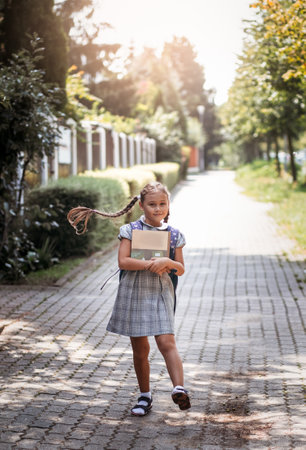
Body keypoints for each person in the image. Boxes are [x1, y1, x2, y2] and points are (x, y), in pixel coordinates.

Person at [67, 181, 191, 416]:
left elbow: (181, 269)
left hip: (161, 294)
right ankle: (145, 396)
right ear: (141, 205)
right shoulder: (130, 231)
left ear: (168, 205)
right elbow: (123, 262)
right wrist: (151, 264)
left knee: (167, 342)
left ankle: (179, 388)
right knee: (140, 349)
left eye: (162, 204)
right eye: (152, 204)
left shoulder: (175, 235)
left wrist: (168, 263)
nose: (158, 208)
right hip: (134, 294)